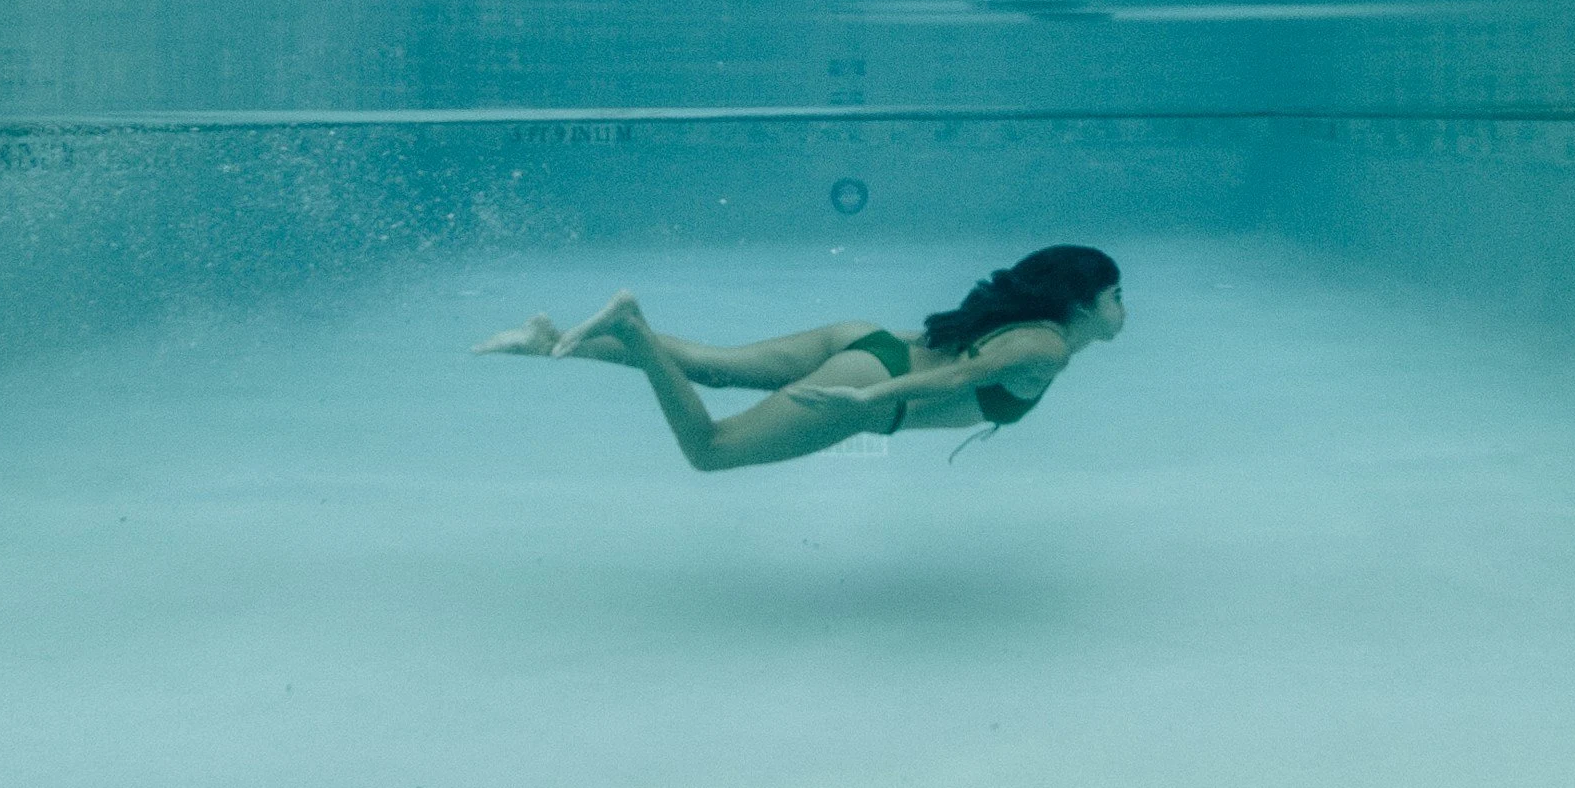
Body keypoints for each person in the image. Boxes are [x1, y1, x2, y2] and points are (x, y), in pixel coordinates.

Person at [474, 245, 1123, 473]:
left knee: (708, 363)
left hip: (865, 342)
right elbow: (961, 375)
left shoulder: (1029, 325)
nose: (1124, 306)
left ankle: (549, 340)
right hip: (875, 385)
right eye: (1116, 294)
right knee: (711, 451)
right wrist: (867, 402)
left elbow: (960, 361)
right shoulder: (1049, 344)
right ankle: (634, 330)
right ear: (1083, 302)